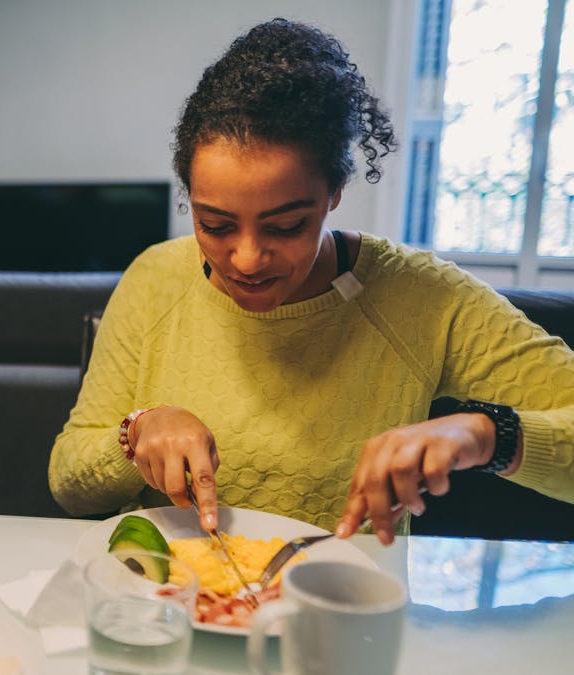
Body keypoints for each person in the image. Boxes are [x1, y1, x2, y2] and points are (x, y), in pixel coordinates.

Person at [49, 18, 574, 545]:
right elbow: (68, 484)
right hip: (167, 608)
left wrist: (485, 433)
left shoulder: (424, 300)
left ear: (335, 193)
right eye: (216, 225)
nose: (248, 259)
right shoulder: (155, 280)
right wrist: (136, 431)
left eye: (287, 226)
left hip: (338, 616)